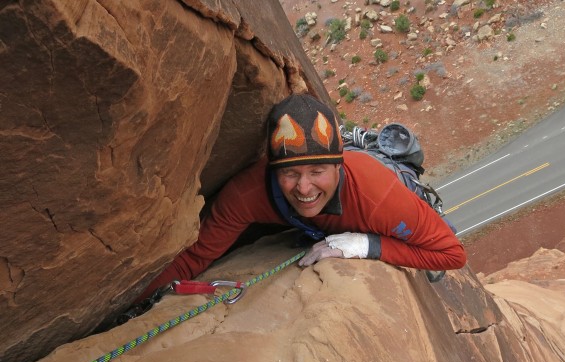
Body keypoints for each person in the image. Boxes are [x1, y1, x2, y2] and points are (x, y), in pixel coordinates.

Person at [137, 93, 466, 301]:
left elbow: (451, 254)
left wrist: (364, 245)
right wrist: (131, 304)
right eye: (290, 173)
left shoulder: (377, 196)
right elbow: (194, 258)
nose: (304, 188)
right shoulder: (249, 194)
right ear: (272, 168)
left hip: (384, 186)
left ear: (337, 167)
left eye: (317, 170)